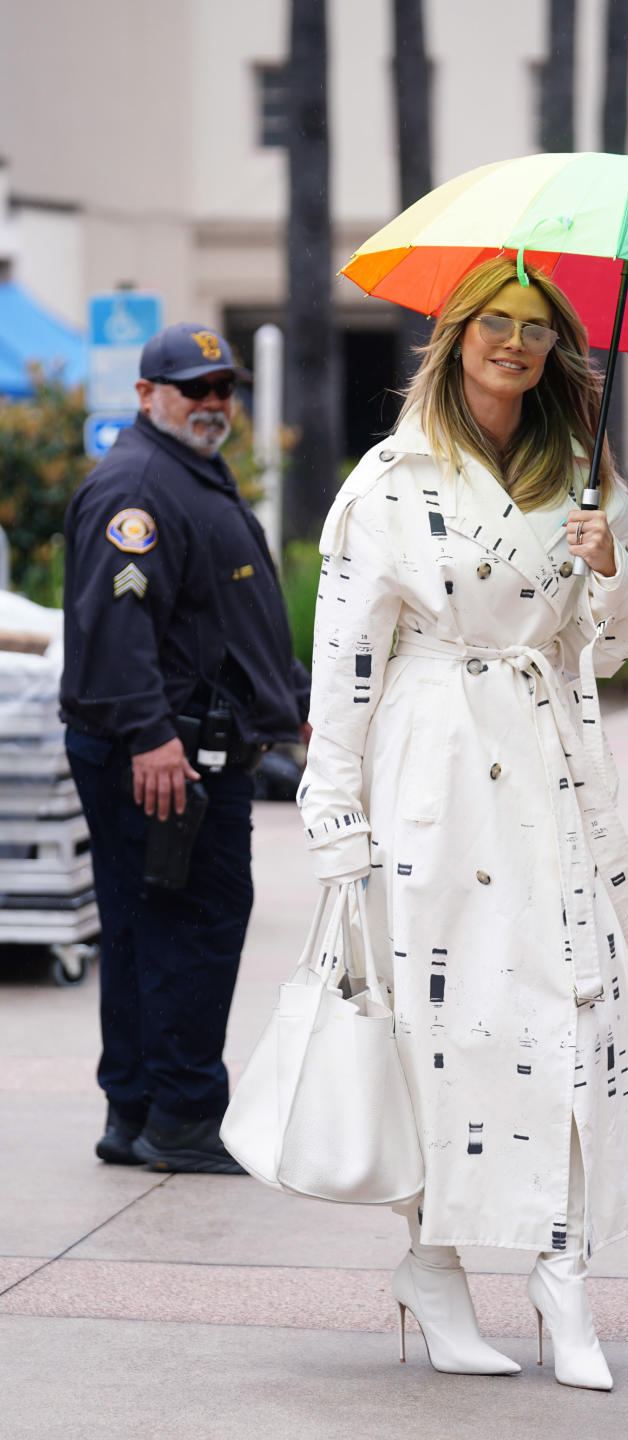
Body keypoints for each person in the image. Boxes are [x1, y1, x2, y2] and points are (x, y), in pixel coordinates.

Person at [298, 257, 628, 1389]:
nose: (512, 342)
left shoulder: (585, 480)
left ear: (558, 349)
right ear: (457, 336)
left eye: (534, 327)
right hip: (431, 771)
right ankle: (435, 1265)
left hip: (544, 769)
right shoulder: (390, 477)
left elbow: (605, 653)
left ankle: (566, 1281)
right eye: (492, 323)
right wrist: (335, 812)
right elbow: (345, 654)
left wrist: (610, 576)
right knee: (440, 1029)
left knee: (569, 1012)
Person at [61, 322, 310, 1174]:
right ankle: (185, 1116)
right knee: (192, 926)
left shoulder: (188, 475)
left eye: (223, 388)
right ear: (145, 395)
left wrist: (294, 702)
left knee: (142, 929)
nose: (212, 403)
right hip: (165, 755)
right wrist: (151, 737)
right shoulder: (137, 487)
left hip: (177, 746)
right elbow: (117, 627)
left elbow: (219, 626)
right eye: (193, 387)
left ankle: (136, 1112)